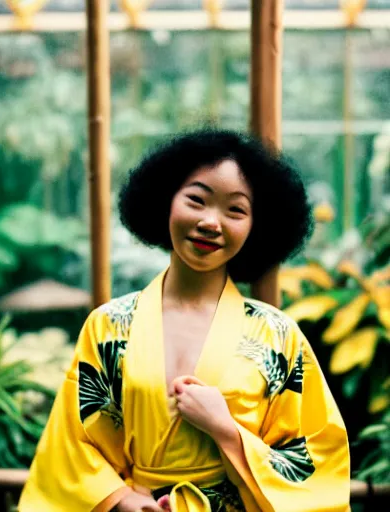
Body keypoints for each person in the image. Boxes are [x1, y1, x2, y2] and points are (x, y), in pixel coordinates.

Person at [18, 129, 350, 512]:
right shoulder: (109, 325)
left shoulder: (278, 335)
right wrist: (121, 499)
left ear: (257, 226)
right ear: (166, 202)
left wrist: (225, 429)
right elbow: (71, 445)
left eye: (236, 210)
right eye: (197, 200)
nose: (212, 222)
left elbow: (316, 462)